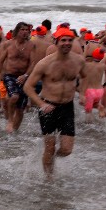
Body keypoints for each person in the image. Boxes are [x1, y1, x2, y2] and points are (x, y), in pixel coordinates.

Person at [23, 27, 84, 175]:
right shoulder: (45, 64)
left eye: (70, 40)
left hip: (67, 107)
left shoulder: (78, 61)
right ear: (56, 42)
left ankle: (49, 159)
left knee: (67, 150)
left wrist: (83, 93)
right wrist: (41, 104)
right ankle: (49, 178)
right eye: (63, 40)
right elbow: (28, 87)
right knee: (49, 147)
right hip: (48, 107)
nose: (67, 43)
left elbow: (85, 78)